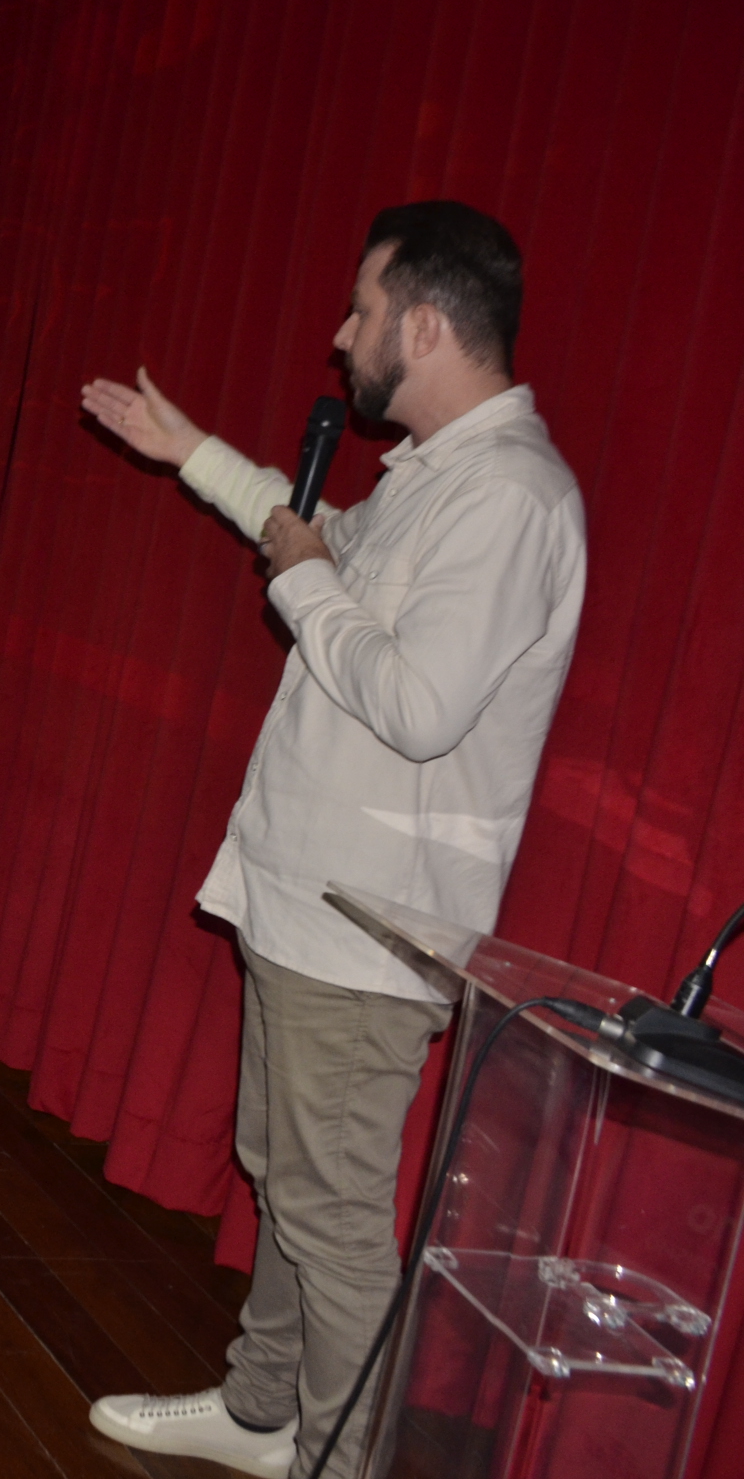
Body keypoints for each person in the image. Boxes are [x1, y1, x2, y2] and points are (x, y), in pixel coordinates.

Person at [77, 202, 586, 1479]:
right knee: (281, 1172)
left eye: (360, 312)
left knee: (332, 1213)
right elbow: (308, 538)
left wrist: (304, 576)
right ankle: (264, 1415)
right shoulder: (433, 477)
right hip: (309, 900)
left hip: (371, 928)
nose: (339, 335)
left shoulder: (511, 500)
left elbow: (418, 706)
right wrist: (191, 451)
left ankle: (340, 1461)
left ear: (423, 322)